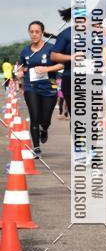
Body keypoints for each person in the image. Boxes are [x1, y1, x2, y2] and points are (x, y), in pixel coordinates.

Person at [15, 21, 63, 154]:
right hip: (31, 87)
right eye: (32, 32)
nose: (34, 34)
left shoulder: (51, 48)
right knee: (34, 117)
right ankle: (36, 147)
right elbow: (20, 67)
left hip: (49, 87)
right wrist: (19, 73)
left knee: (45, 120)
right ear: (29, 33)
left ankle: (44, 129)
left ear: (42, 33)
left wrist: (46, 69)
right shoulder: (25, 51)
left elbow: (62, 64)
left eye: (37, 32)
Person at [51, 8, 73, 118]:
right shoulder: (65, 34)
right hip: (70, 79)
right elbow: (54, 56)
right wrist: (72, 57)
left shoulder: (96, 33)